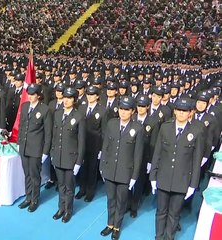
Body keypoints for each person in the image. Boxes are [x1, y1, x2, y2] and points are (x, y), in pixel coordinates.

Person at [149, 98, 203, 240]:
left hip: (181, 180)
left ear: (190, 113)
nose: (181, 113)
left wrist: (193, 184)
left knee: (174, 214)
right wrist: (153, 176)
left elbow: (196, 161)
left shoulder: (196, 132)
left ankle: (169, 237)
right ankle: (158, 236)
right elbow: (158, 154)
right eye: (179, 110)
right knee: (161, 212)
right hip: (163, 177)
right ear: (175, 111)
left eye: (184, 111)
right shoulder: (165, 128)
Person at [99, 96, 144, 240]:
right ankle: (109, 224)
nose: (123, 112)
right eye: (121, 109)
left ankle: (117, 226)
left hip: (125, 172)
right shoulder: (112, 124)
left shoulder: (137, 128)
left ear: (132, 111)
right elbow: (105, 146)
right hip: (110, 169)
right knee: (110, 199)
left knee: (121, 201)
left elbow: (138, 155)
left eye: (127, 110)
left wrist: (134, 176)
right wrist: (102, 166)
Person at [51, 87, 85, 223]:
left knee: (69, 186)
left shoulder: (79, 117)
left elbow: (81, 142)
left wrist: (78, 162)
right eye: (64, 97)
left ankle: (68, 210)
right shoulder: (58, 114)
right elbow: (55, 136)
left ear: (74, 100)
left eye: (69, 98)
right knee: (61, 185)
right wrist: (53, 153)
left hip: (71, 158)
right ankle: (60, 208)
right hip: (58, 156)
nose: (66, 100)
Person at [17, 83, 52, 212]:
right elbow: (22, 126)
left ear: (38, 95)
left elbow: (48, 133)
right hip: (24, 147)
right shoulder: (25, 106)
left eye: (33, 94)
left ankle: (35, 199)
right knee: (26, 174)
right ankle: (28, 197)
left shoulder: (45, 110)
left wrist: (45, 151)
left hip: (36, 149)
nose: (30, 97)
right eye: (29, 94)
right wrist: (19, 142)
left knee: (34, 175)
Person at [77, 86, 107, 202]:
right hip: (82, 143)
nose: (89, 97)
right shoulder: (81, 108)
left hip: (94, 145)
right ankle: (82, 189)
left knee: (92, 169)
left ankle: (90, 191)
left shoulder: (102, 110)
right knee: (82, 168)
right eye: (88, 94)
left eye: (92, 95)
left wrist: (101, 149)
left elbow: (104, 132)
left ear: (97, 96)